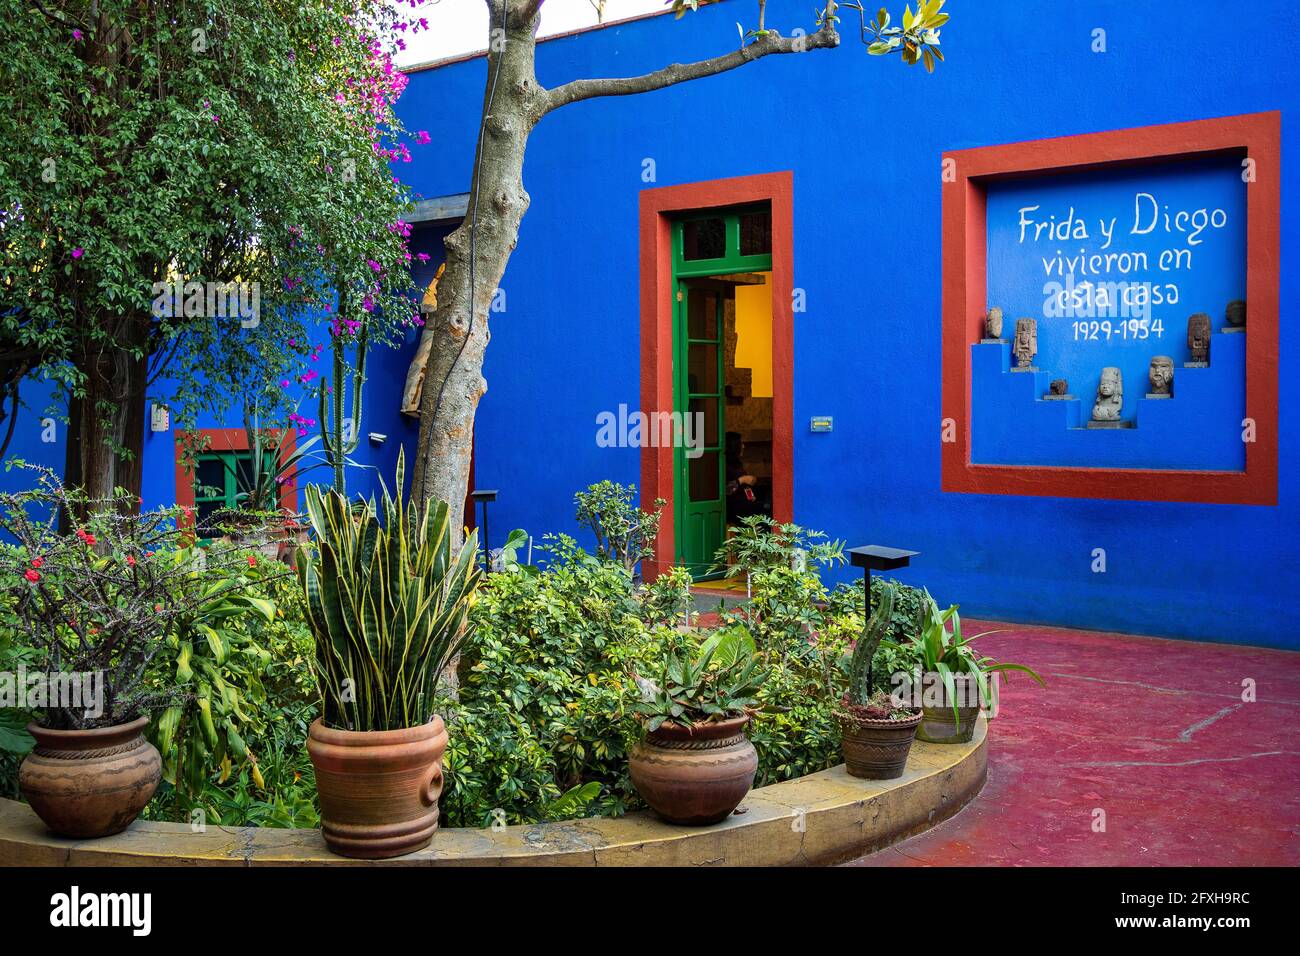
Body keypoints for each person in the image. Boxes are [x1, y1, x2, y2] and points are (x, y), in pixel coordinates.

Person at [724, 432, 766, 523]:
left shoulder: (737, 463)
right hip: (732, 508)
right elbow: (725, 490)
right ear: (734, 446)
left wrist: (751, 495)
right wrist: (742, 480)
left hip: (743, 504)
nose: (743, 446)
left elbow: (745, 486)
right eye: (741, 444)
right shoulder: (724, 465)